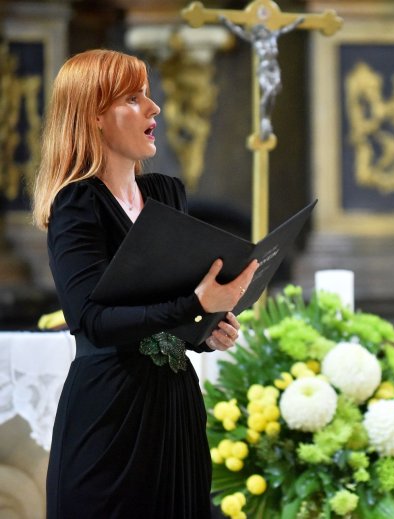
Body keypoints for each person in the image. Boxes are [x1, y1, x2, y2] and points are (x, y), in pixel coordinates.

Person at [31, 49, 258, 518]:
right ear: (94, 115)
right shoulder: (77, 204)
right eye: (134, 98)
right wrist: (194, 302)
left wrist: (207, 328)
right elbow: (92, 322)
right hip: (111, 410)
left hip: (174, 407)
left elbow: (170, 311)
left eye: (149, 96)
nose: (154, 109)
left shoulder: (166, 194)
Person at [220, 16, 304, 139]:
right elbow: (239, 31)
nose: (263, 31)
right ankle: (265, 119)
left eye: (264, 29)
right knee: (269, 91)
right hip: (264, 68)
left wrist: (297, 22)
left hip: (274, 67)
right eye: (260, 30)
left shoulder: (273, 37)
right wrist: (226, 21)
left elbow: (286, 29)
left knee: (273, 91)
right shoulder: (256, 40)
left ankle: (266, 118)